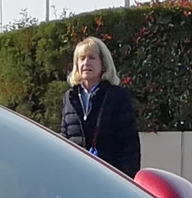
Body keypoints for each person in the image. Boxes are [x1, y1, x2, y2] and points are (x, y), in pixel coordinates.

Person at [60, 37, 141, 177]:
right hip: (75, 178)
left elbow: (129, 148)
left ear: (103, 64)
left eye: (92, 58)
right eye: (81, 58)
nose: (86, 63)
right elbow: (64, 140)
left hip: (107, 179)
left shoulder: (117, 96)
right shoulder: (70, 97)